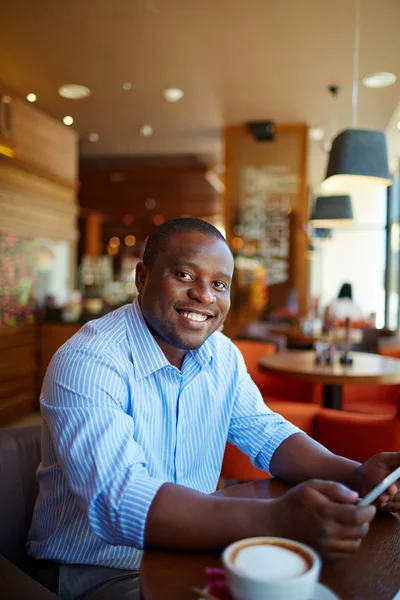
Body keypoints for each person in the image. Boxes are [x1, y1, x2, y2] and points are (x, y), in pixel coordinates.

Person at [28, 218, 400, 600]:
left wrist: (356, 475)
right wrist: (278, 519)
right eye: (185, 275)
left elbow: (268, 434)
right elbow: (119, 501)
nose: (204, 295)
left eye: (219, 284)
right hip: (94, 572)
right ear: (143, 278)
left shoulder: (221, 354)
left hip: (192, 548)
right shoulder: (89, 360)